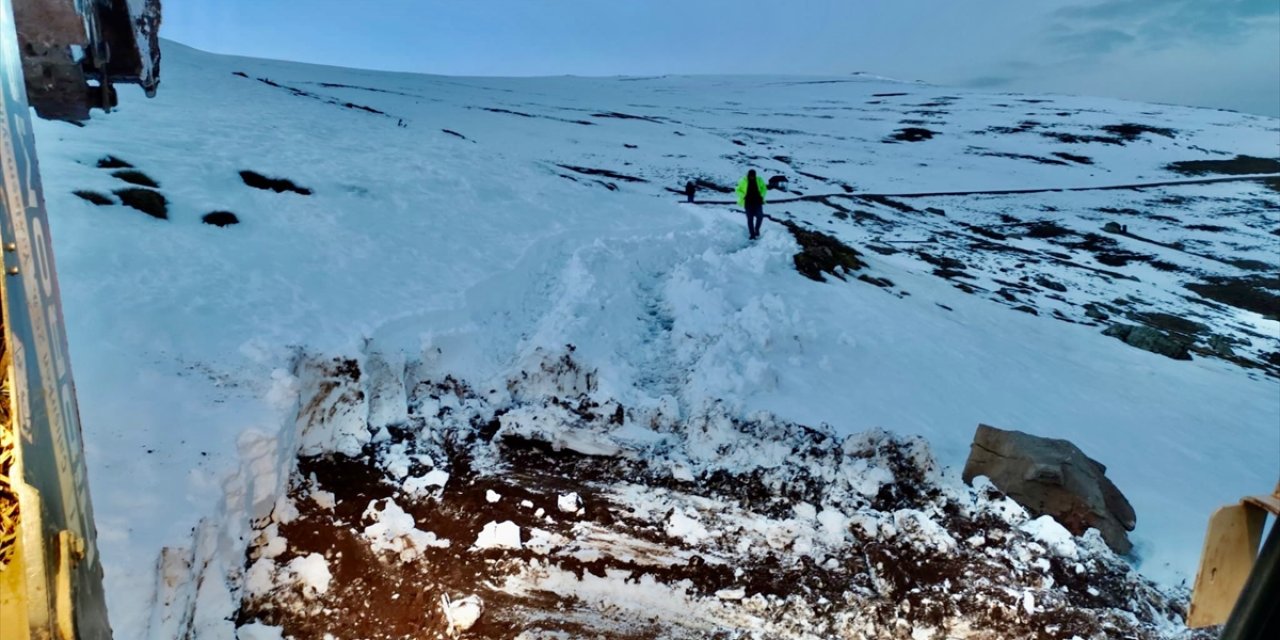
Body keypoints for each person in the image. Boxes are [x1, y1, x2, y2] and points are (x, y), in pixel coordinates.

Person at [736, 169, 768, 239]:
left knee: (760, 217)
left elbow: (764, 188)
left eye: (753, 176)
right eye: (750, 176)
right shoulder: (743, 180)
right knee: (750, 219)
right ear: (748, 175)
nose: (752, 177)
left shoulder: (759, 180)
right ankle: (752, 234)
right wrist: (743, 196)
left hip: (758, 202)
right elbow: (737, 190)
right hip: (748, 202)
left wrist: (761, 195)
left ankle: (756, 229)